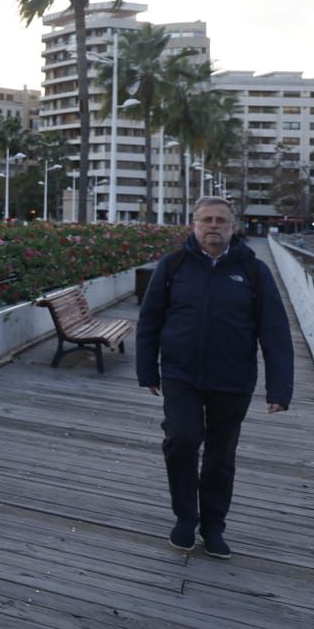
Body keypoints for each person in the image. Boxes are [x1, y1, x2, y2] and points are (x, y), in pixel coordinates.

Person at [136, 196, 294, 559]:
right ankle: (185, 517)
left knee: (221, 456)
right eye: (206, 219)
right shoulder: (173, 266)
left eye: (221, 220)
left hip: (233, 378)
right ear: (193, 224)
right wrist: (147, 370)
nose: (213, 226)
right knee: (182, 439)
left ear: (233, 226)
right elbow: (149, 322)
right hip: (180, 374)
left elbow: (275, 332)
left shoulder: (254, 271)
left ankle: (213, 526)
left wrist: (280, 388)